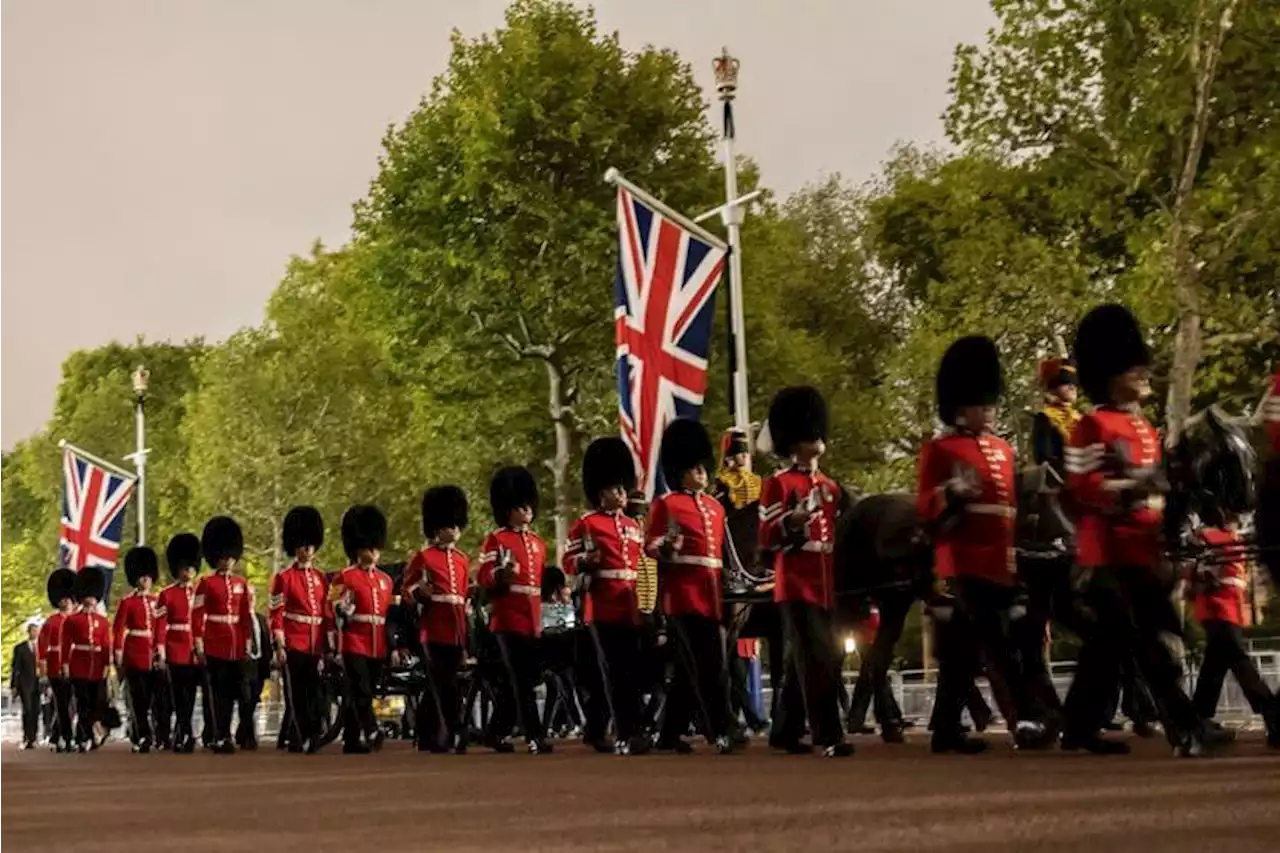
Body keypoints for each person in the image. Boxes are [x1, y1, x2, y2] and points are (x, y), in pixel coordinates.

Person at [1061, 303, 1223, 757]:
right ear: (1113, 375)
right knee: (1149, 642)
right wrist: (1138, 484)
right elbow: (1083, 488)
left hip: (1146, 549)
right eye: (1134, 367)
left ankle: (1076, 729)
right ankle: (1185, 728)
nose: (1144, 372)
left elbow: (1160, 494)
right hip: (1107, 552)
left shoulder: (1144, 428)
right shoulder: (1091, 425)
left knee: (1104, 651)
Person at [917, 336, 1053, 754]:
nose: (990, 411)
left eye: (991, 404)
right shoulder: (940, 450)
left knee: (962, 650)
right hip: (964, 558)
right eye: (983, 405)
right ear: (962, 408)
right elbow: (926, 504)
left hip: (1002, 558)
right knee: (998, 641)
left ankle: (944, 729)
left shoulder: (1003, 450)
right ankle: (1024, 720)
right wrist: (952, 492)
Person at [758, 386, 853, 757]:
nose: (817, 436)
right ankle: (829, 734)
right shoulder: (778, 485)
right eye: (809, 431)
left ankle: (784, 729)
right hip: (796, 581)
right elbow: (766, 537)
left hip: (827, 580)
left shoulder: (830, 487)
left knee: (806, 657)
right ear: (793, 442)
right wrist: (793, 521)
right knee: (818, 657)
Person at [646, 417, 737, 755]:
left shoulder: (715, 507)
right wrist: (668, 547)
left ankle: (667, 734)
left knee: (688, 668)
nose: (700, 474)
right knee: (710, 663)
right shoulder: (666, 505)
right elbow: (650, 546)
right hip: (683, 594)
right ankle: (721, 730)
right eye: (693, 469)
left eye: (703, 468)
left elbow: (723, 553)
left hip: (711, 591)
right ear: (678, 471)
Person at [565, 436, 647, 755]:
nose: (622, 494)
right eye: (616, 489)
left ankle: (630, 727)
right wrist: (586, 560)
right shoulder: (587, 524)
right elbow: (569, 561)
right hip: (602, 606)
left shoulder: (632, 525)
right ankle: (626, 732)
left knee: (633, 671)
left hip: (631, 605)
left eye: (623, 488)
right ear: (601, 493)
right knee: (613, 672)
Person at [477, 466, 552, 754]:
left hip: (531, 618)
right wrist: (500, 575)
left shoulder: (537, 544)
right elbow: (484, 575)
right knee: (522, 680)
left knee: (521, 679)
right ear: (507, 510)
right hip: (508, 618)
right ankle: (535, 735)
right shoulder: (498, 540)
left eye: (529, 506)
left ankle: (495, 731)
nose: (527, 511)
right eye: (520, 507)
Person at [1188, 511, 1278, 743]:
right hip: (1218, 608)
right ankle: (1272, 713)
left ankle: (1197, 718)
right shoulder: (1211, 536)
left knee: (1214, 666)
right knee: (1239, 660)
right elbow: (1198, 569)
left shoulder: (1231, 538)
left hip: (1228, 610)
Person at [402, 487, 471, 753]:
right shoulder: (423, 557)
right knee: (445, 684)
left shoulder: (463, 560)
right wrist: (420, 593)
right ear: (435, 528)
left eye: (456, 525)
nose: (453, 530)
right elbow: (406, 592)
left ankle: (425, 733)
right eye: (447, 525)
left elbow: (462, 597)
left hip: (456, 628)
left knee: (442, 683)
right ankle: (453, 731)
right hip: (434, 628)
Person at [330, 504, 394, 754]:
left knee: (361, 691)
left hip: (377, 641)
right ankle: (371, 730)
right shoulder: (343, 577)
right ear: (358, 548)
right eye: (370, 547)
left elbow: (387, 615)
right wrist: (342, 610)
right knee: (362, 689)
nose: (375, 552)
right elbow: (332, 605)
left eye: (376, 547)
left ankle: (352, 738)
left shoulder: (385, 580)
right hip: (354, 639)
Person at [269, 506, 331, 754]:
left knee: (316, 693)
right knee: (298, 696)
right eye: (302, 545)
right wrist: (280, 644)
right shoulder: (284, 578)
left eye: (310, 545)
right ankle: (304, 734)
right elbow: (276, 613)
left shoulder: (320, 577)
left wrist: (329, 643)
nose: (306, 550)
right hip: (294, 643)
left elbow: (325, 614)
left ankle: (309, 733)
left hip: (315, 643)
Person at [193, 516, 254, 754]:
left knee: (245, 693)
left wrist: (247, 641)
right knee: (220, 696)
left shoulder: (242, 583)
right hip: (215, 644)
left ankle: (246, 732)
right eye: (223, 557)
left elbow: (245, 616)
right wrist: (198, 642)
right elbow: (197, 615)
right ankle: (221, 735)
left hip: (237, 644)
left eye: (230, 557)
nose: (227, 561)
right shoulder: (206, 583)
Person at [155, 533, 202, 753]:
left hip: (194, 650)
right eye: (185, 568)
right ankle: (185, 733)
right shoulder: (167, 594)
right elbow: (161, 625)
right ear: (178, 569)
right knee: (178, 695)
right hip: (175, 649)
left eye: (191, 567)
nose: (188, 572)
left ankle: (184, 733)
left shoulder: (200, 592)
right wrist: (161, 651)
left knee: (190, 696)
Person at [113, 546, 162, 753]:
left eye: (148, 577)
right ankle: (142, 735)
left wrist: (160, 650)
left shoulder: (157, 601)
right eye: (142, 577)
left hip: (153, 654)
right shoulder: (128, 602)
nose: (146, 580)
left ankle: (147, 733)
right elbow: (118, 630)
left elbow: (161, 626)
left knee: (154, 699)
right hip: (134, 654)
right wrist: (118, 655)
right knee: (139, 699)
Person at [60, 567, 111, 752]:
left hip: (97, 665)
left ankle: (92, 732)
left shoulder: (103, 621)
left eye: (93, 595)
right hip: (79, 665)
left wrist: (107, 664)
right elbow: (66, 644)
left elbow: (106, 645)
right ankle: (84, 737)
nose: (91, 598)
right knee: (82, 703)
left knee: (96, 702)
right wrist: (65, 664)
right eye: (88, 594)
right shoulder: (73, 620)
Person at [39, 569, 77, 752]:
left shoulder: (77, 620)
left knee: (68, 704)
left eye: (68, 598)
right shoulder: (51, 622)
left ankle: (55, 736)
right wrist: (43, 668)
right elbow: (42, 646)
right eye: (63, 598)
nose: (66, 601)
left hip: (74, 665)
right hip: (55, 666)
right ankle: (67, 738)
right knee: (62, 703)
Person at [1030, 357, 1081, 474]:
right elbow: (1044, 459)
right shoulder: (1045, 417)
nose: (1072, 387)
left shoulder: (1080, 418)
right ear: (1052, 388)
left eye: (1074, 383)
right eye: (1065, 382)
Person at [10, 617, 42, 749]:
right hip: (25, 683)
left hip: (39, 683)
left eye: (36, 631)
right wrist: (14, 685)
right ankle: (27, 736)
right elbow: (15, 668)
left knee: (36, 710)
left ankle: (34, 736)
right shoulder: (20, 648)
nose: (34, 633)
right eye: (32, 631)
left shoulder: (42, 648)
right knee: (27, 710)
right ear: (28, 632)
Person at [712, 428, 761, 511]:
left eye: (745, 452)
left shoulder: (755, 479)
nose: (744, 456)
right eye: (740, 452)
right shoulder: (723, 480)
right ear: (731, 455)